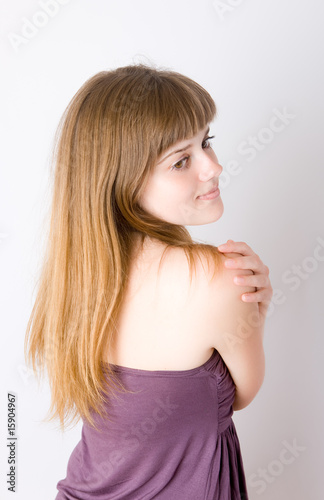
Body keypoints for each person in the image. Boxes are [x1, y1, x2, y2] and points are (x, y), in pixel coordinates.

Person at [25, 64, 273, 499]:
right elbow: (240, 394)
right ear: (122, 183)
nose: (212, 166)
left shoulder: (76, 281)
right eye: (182, 160)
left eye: (206, 142)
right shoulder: (216, 279)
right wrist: (256, 309)